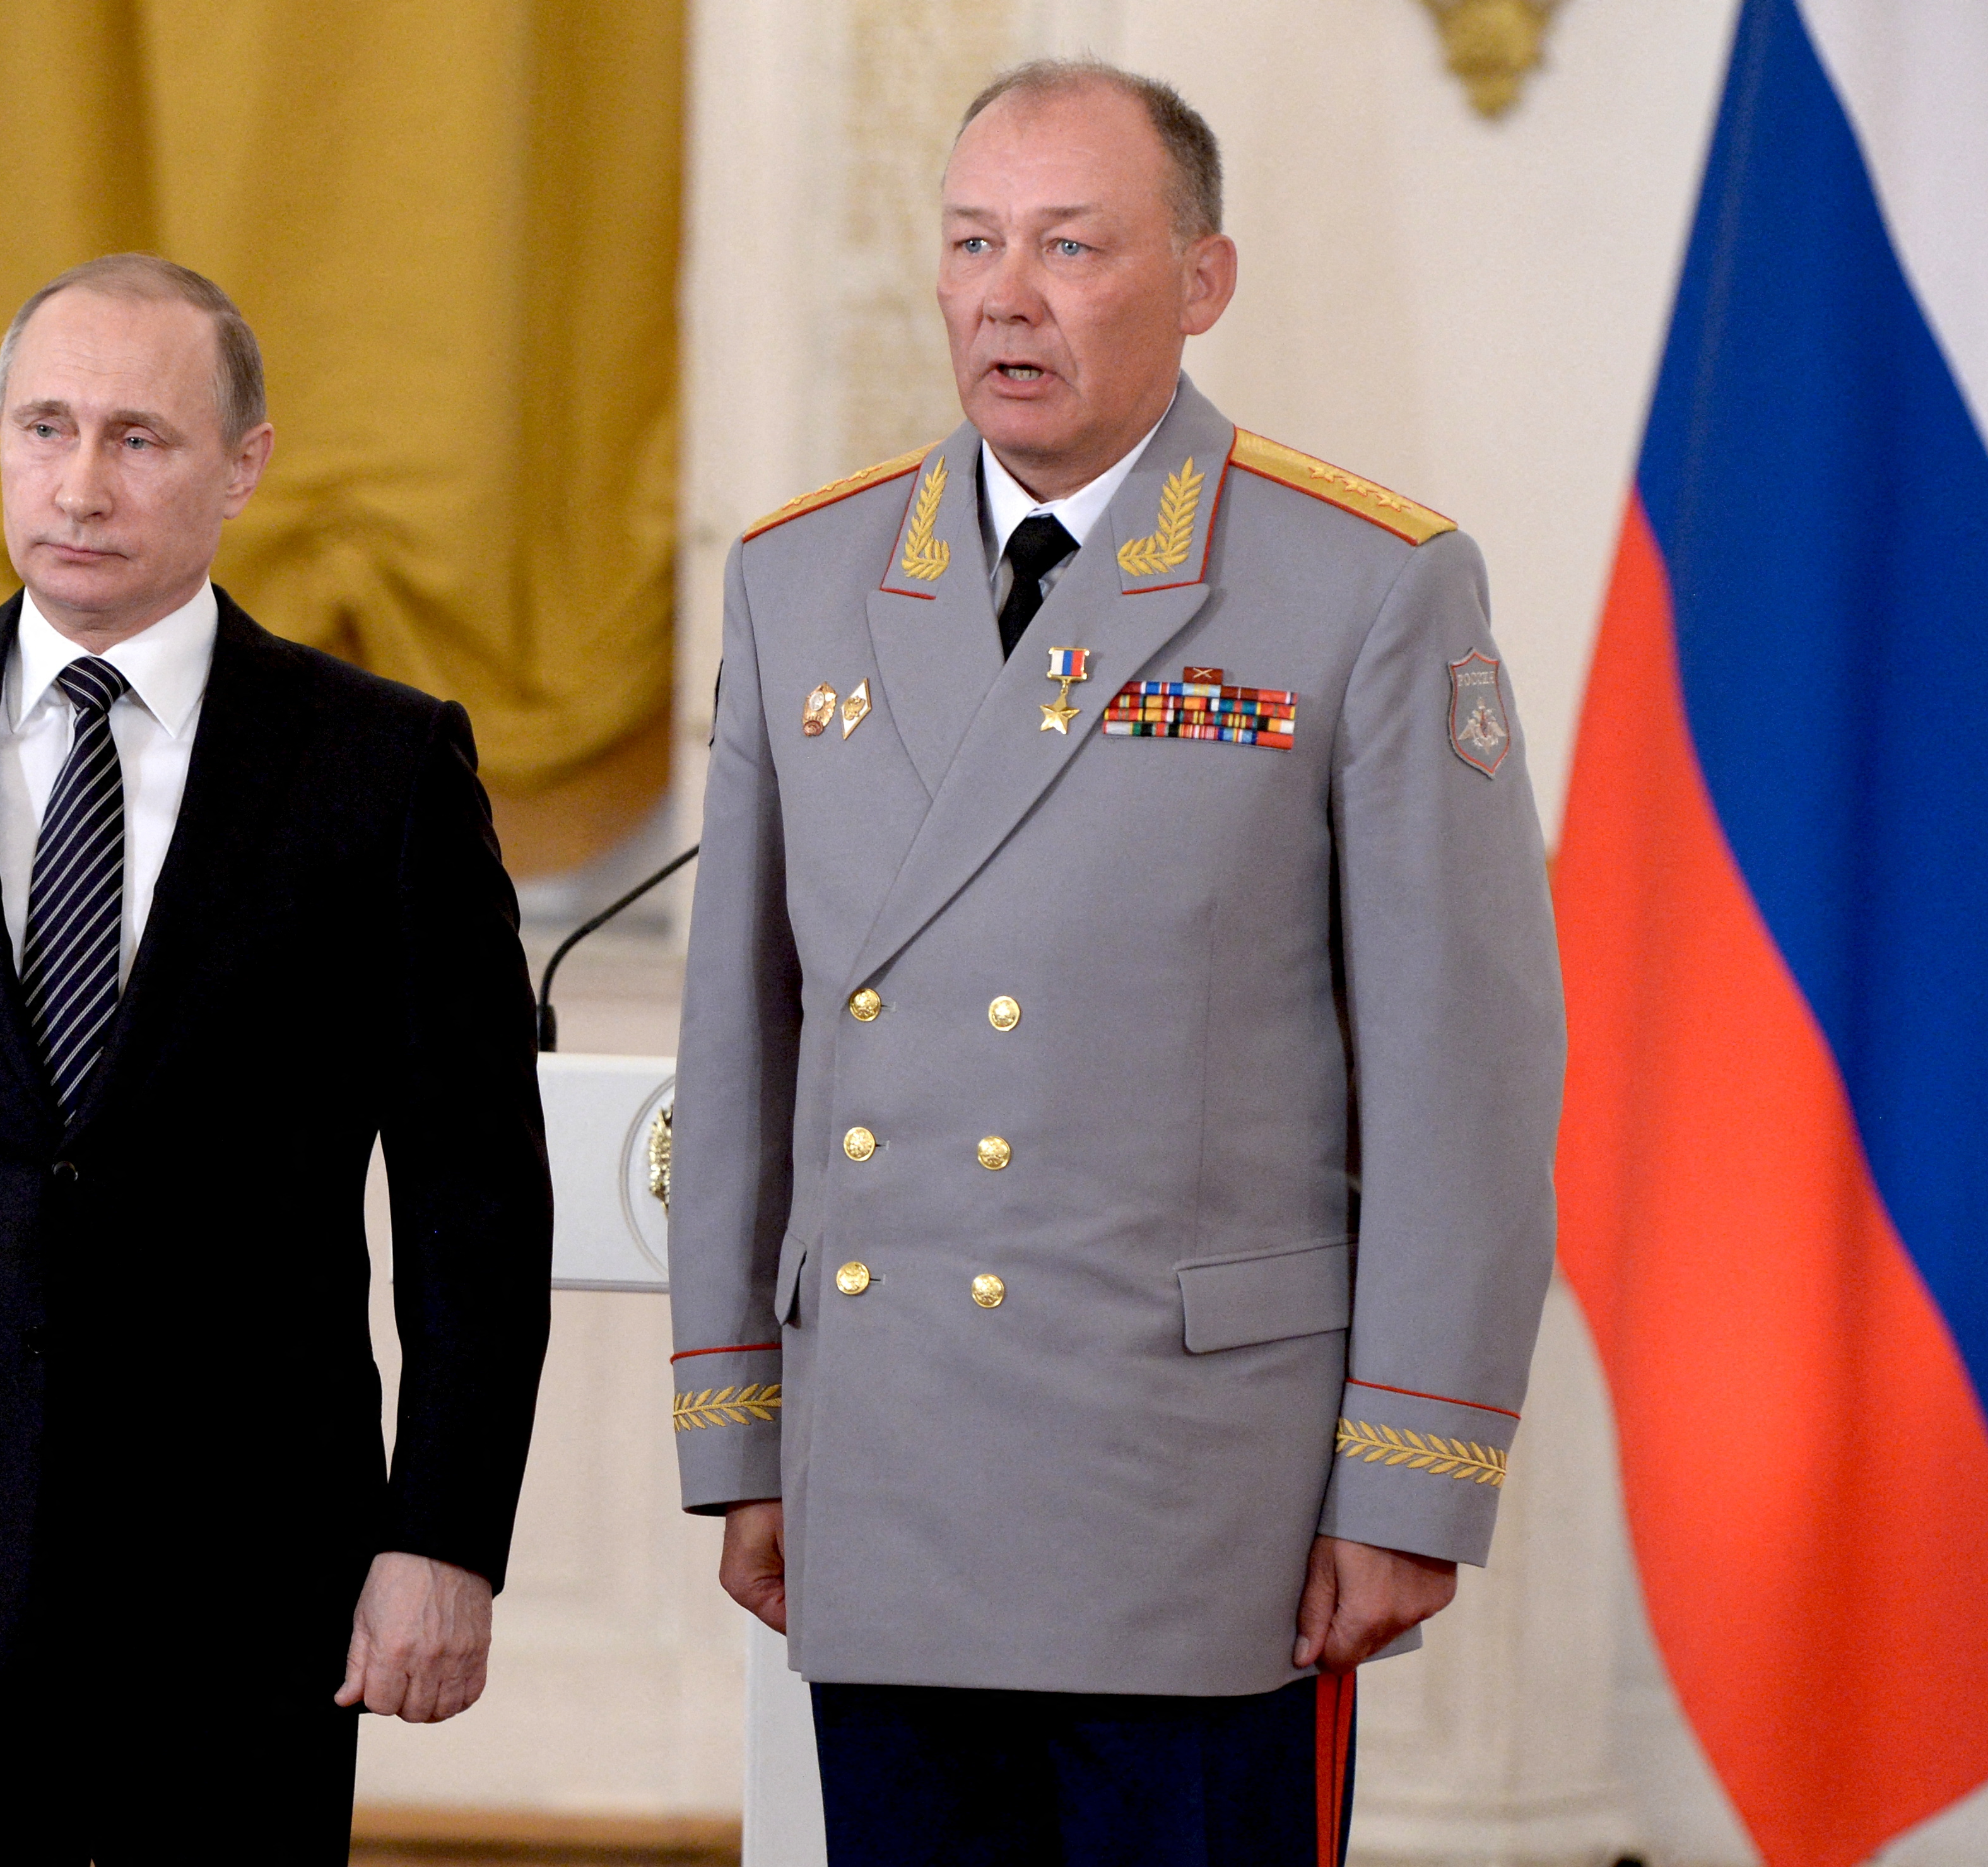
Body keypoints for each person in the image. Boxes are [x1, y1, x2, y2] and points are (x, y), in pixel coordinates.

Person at [668, 59, 1563, 1864]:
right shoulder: (798, 582)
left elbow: (1459, 1080)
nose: (1004, 294)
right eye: (972, 244)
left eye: (1069, 246)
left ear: (1200, 281)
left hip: (1198, 1503)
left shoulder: (1360, 586)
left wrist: (1407, 1480)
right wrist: (742, 1439)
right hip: (892, 1483)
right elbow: (741, 1048)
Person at [0, 253, 552, 1864]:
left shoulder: (382, 765)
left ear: (244, 466)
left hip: (253, 1565)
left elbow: (474, 1200)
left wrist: (444, 1537)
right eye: (46, 428)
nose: (80, 485)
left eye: (140, 439)